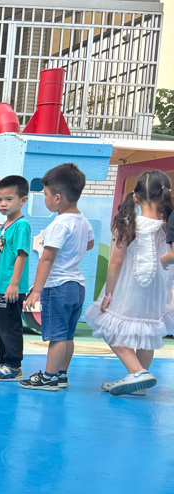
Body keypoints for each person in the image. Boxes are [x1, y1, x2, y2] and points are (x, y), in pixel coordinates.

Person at [85, 170, 174, 396]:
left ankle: (137, 372)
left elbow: (116, 262)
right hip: (157, 289)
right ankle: (140, 382)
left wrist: (108, 294)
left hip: (129, 287)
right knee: (147, 333)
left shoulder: (128, 222)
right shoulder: (168, 224)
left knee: (108, 326)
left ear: (135, 197)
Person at [21, 163, 95, 391]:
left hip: (59, 286)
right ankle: (61, 374)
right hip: (77, 286)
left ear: (58, 198)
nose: (45, 198)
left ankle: (49, 377)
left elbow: (47, 259)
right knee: (68, 335)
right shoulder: (82, 220)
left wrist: (36, 290)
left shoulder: (59, 224)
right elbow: (90, 244)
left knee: (57, 336)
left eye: (45, 194)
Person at [0, 175, 31, 381]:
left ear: (23, 200)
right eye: (0, 199)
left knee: (9, 328)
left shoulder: (21, 225)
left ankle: (14, 366)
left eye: (9, 199)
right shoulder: (3, 226)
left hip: (10, 288)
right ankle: (2, 362)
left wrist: (14, 284)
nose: (3, 204)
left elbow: (21, 255)